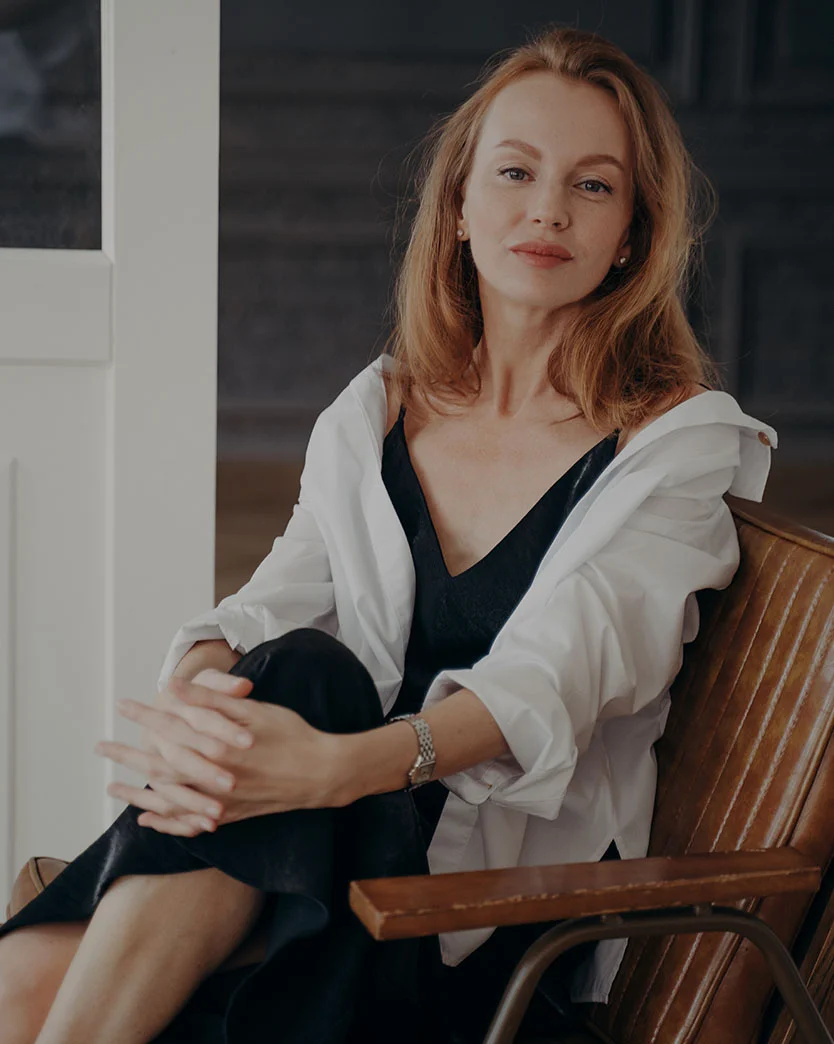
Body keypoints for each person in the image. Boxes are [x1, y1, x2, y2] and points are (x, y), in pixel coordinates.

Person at [0, 22, 777, 1044]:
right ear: (458, 206)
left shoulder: (680, 446)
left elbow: (560, 675)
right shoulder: (379, 407)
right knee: (289, 671)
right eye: (515, 172)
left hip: (470, 927)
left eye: (594, 185)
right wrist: (196, 683)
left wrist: (340, 769)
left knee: (31, 985)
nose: (547, 207)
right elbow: (276, 596)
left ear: (633, 233)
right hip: (306, 861)